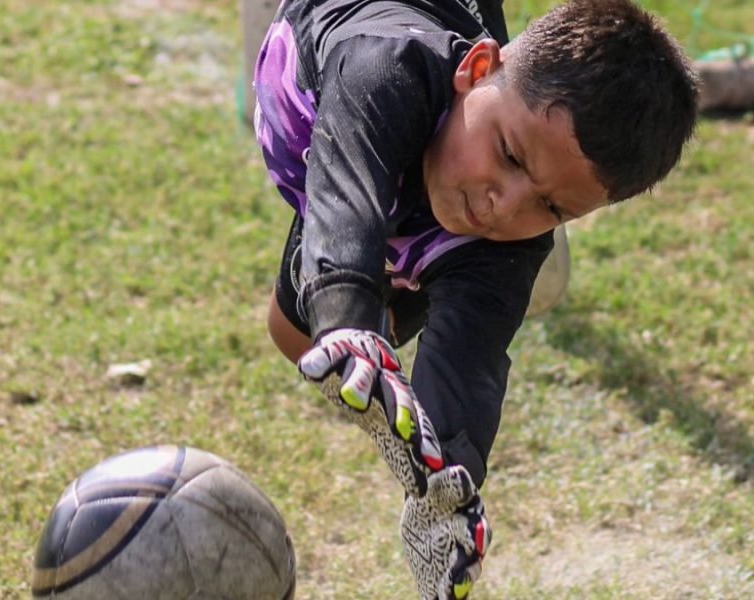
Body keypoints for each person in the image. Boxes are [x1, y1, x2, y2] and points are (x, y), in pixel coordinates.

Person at [252, 0, 698, 598]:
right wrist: (349, 322)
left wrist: (445, 489)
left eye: (551, 206)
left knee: (312, 331)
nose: (501, 206)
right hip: (365, 89)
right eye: (510, 156)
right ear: (476, 67)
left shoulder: (509, 237)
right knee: (319, 327)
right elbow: (347, 188)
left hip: (444, 134)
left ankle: (459, 225)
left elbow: (469, 362)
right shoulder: (385, 66)